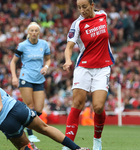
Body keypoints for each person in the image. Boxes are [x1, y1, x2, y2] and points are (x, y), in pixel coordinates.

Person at [0, 60, 90, 150]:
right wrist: (0, 105)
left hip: (4, 122)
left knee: (24, 146)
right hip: (16, 108)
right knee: (45, 128)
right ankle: (77, 149)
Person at [62, 0, 115, 150]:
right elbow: (69, 47)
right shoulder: (77, 24)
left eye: (84, 7)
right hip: (83, 68)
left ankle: (97, 141)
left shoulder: (103, 15)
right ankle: (67, 146)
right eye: (79, 7)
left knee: (98, 107)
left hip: (103, 67)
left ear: (92, 5)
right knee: (77, 104)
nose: (82, 10)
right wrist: (67, 60)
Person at [10, 22, 50, 144]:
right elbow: (13, 62)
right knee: (29, 106)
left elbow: (48, 59)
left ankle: (23, 125)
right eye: (31, 31)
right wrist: (14, 77)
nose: (33, 33)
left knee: (39, 109)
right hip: (25, 78)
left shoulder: (44, 44)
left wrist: (46, 67)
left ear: (39, 32)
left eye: (36, 31)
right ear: (28, 32)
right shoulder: (22, 45)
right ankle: (31, 135)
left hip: (39, 79)